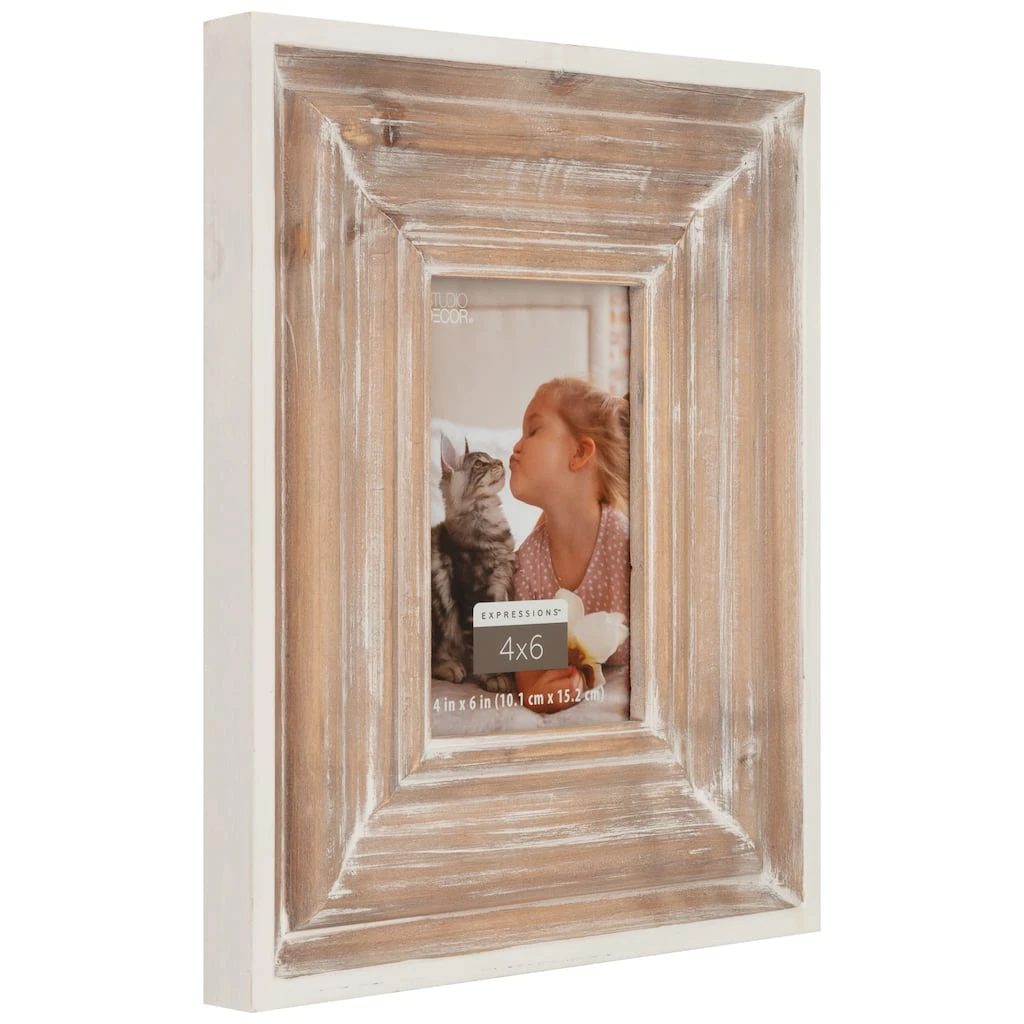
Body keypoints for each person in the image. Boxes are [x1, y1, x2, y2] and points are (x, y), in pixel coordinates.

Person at [508, 377, 630, 713]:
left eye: (533, 431)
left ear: (579, 453)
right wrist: (541, 693)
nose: (516, 446)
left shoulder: (627, 547)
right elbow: (529, 681)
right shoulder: (524, 566)